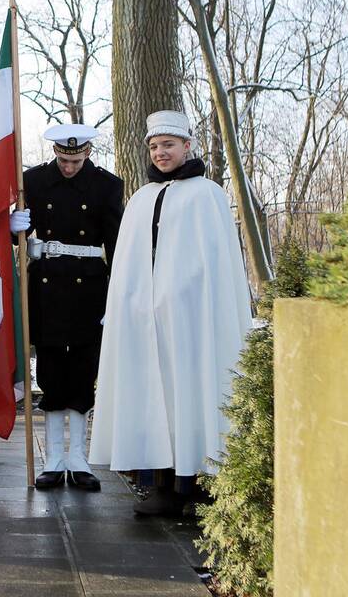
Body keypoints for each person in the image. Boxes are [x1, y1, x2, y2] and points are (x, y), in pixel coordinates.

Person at [88, 110, 253, 516]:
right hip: (146, 322)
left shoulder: (206, 194)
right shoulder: (141, 200)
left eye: (168, 145)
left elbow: (213, 264)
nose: (160, 153)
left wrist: (180, 294)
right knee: (152, 395)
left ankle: (198, 485)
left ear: (186, 147)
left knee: (191, 392)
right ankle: (160, 483)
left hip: (192, 320)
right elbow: (128, 265)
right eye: (154, 146)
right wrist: (130, 304)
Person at [10, 123, 123, 490]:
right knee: (52, 374)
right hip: (47, 286)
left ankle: (80, 459)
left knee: (81, 374)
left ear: (87, 152)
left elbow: (117, 246)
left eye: (74, 159)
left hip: (89, 287)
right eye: (62, 158)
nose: (68, 166)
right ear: (55, 153)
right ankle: (55, 458)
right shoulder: (35, 181)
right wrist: (15, 228)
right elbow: (16, 235)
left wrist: (115, 297)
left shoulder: (107, 186)